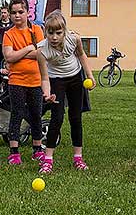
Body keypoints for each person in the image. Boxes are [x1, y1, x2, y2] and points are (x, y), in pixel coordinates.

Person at [36, 10, 96, 173]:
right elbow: (44, 77)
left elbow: (82, 55)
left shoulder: (74, 39)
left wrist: (90, 76)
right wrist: (47, 94)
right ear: (45, 32)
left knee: (75, 118)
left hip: (76, 77)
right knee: (57, 118)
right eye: (50, 33)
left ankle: (78, 158)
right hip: (56, 80)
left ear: (64, 31)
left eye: (58, 32)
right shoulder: (41, 51)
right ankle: (48, 160)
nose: (54, 37)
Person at [2, 0, 45, 165]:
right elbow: (9, 56)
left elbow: (42, 53)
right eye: (13, 13)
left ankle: (37, 149)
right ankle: (14, 151)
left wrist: (18, 53)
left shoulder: (37, 30)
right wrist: (28, 48)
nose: (17, 15)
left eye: (21, 12)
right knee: (17, 114)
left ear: (28, 12)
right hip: (16, 81)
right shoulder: (8, 34)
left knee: (36, 114)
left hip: (35, 80)